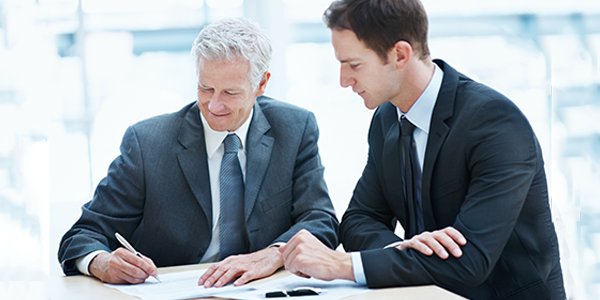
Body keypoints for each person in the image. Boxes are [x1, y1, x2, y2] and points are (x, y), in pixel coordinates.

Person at [279, 0, 565, 299]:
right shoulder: (387, 118)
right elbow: (358, 220)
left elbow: (470, 261)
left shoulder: (494, 123)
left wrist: (343, 264)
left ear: (400, 54)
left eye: (353, 65)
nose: (344, 81)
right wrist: (401, 251)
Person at [57, 17, 339, 287]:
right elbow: (82, 236)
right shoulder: (148, 143)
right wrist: (101, 262)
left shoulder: (294, 128)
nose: (214, 105)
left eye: (230, 92)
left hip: (263, 288)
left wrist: (275, 253)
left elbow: (321, 220)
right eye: (205, 88)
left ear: (261, 84)